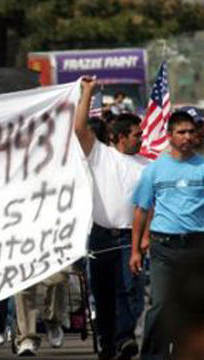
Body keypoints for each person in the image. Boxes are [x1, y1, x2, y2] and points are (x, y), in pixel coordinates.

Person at [74, 77, 148, 360]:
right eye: (135, 135)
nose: (140, 139)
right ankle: (107, 346)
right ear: (118, 137)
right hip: (101, 237)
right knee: (103, 297)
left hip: (131, 239)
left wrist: (144, 238)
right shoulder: (100, 156)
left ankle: (126, 339)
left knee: (130, 294)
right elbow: (80, 128)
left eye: (141, 134)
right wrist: (88, 93)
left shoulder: (147, 166)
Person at [130, 110, 204, 360]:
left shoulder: (202, 167)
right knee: (161, 305)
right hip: (163, 246)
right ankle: (152, 355)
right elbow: (141, 209)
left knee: (196, 306)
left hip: (197, 246)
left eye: (191, 132)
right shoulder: (154, 170)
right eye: (181, 132)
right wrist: (135, 251)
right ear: (170, 135)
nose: (187, 136)